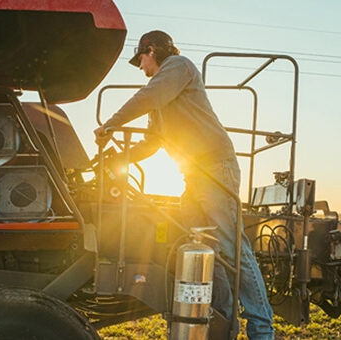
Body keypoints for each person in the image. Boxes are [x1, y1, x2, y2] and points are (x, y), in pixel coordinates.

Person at [94, 30, 274, 339]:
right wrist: (118, 159)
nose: (140, 68)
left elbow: (149, 95)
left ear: (151, 50)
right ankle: (224, 321)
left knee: (232, 249)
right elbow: (152, 143)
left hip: (216, 168)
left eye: (140, 60)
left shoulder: (178, 66)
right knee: (200, 246)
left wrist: (111, 123)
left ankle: (262, 329)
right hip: (193, 175)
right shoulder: (160, 95)